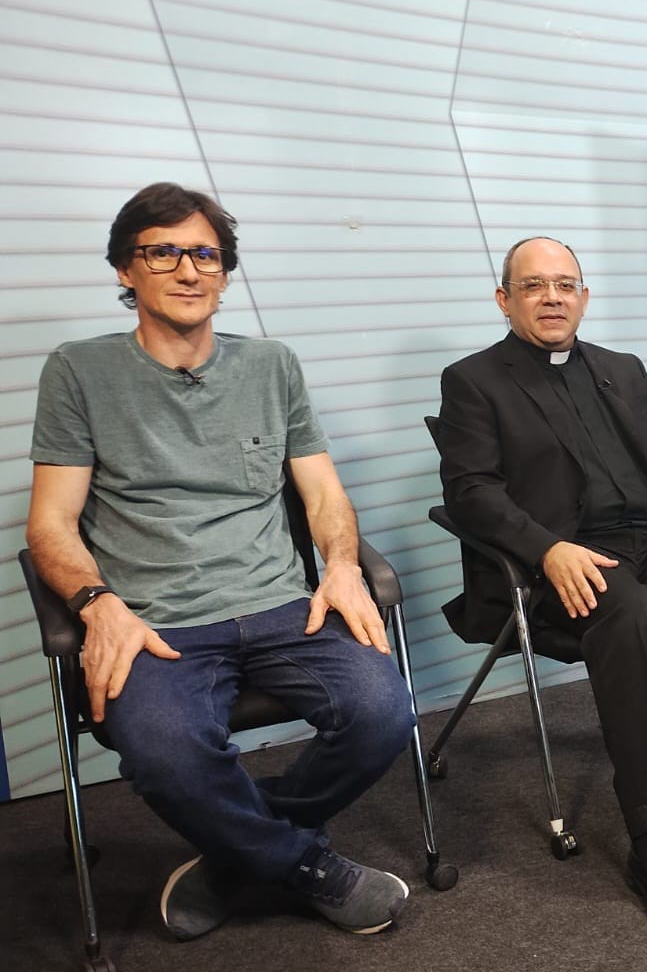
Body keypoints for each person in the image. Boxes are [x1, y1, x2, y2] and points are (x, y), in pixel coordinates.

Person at [26, 182, 416, 940]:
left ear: (225, 273)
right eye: (161, 251)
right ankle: (306, 866)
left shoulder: (272, 365)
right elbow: (50, 524)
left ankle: (236, 847)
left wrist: (339, 565)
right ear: (124, 270)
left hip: (280, 604)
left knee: (381, 714)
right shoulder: (79, 371)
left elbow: (324, 496)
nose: (187, 269)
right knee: (164, 755)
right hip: (155, 624)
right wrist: (99, 604)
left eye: (204, 253)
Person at [436, 236, 647, 932]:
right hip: (564, 553)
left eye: (565, 284)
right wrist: (547, 547)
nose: (552, 297)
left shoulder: (623, 367)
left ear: (583, 297)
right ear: (504, 300)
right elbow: (470, 492)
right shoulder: (473, 379)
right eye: (533, 286)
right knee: (627, 613)